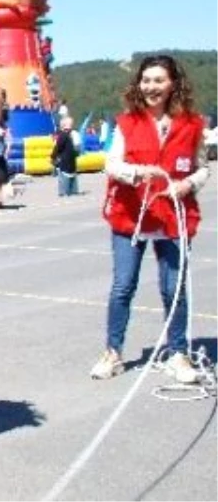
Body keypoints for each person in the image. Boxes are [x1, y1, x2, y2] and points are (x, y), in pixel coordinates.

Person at [91, 55, 208, 383]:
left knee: (174, 289)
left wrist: (187, 184)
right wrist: (139, 172)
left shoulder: (193, 124)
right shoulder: (127, 123)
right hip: (131, 217)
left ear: (173, 84)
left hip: (173, 218)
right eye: (146, 81)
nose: (151, 87)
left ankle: (178, 353)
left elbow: (202, 167)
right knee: (122, 286)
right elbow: (111, 164)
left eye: (159, 80)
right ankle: (112, 352)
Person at [51, 116, 79, 197]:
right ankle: (69, 191)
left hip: (67, 159)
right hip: (68, 159)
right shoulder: (67, 135)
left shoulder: (65, 135)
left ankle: (66, 191)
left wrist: (53, 156)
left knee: (65, 175)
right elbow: (58, 147)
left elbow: (58, 147)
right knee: (68, 174)